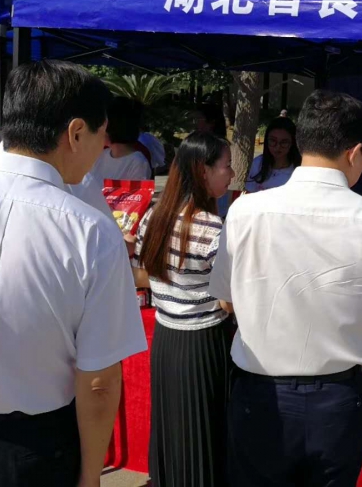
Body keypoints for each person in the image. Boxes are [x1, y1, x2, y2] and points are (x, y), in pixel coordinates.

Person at [209, 90, 362, 487]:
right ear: (356, 152)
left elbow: (225, 301)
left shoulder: (246, 210)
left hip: (260, 395)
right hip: (337, 400)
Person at [0, 61, 147, 487]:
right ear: (75, 133)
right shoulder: (91, 232)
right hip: (31, 447)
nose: (103, 148)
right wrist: (90, 476)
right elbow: (99, 381)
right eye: (101, 134)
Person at [132, 131, 235, 487]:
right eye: (226, 166)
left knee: (173, 429)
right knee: (204, 432)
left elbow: (142, 273)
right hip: (204, 342)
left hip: (166, 339)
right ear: (203, 170)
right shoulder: (212, 228)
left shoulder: (153, 216)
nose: (231, 174)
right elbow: (228, 300)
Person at [92, 96, 152, 181]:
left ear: (111, 127)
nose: (98, 129)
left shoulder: (138, 163)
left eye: (101, 123)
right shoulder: (100, 157)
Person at [244, 116, 301, 193]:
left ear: (293, 143)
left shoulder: (300, 169)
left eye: (284, 142)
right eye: (273, 140)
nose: (278, 147)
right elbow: (249, 194)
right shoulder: (257, 163)